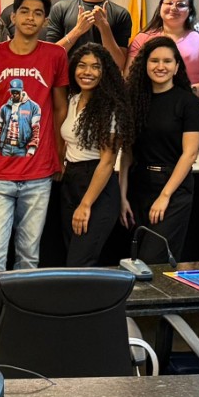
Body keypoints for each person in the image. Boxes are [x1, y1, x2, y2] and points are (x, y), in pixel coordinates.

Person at [0, 0, 68, 271]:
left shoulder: (55, 55)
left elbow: (60, 107)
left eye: (38, 13)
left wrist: (58, 154)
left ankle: (23, 315)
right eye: (25, 11)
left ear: (46, 21)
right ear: (13, 16)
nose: (30, 17)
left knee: (29, 257)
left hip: (39, 173)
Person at [120, 37, 199, 264]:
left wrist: (165, 196)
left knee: (153, 259)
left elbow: (190, 154)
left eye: (167, 61)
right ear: (145, 64)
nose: (160, 66)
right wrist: (122, 196)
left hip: (173, 189)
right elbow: (127, 155)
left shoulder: (188, 102)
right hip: (139, 186)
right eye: (154, 60)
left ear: (177, 67)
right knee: (136, 260)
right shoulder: (134, 101)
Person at [61, 43, 130, 267]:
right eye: (81, 66)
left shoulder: (111, 107)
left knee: (79, 263)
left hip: (96, 187)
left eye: (95, 67)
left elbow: (108, 161)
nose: (87, 72)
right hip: (70, 182)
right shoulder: (72, 100)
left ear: (105, 71)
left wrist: (86, 204)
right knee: (69, 256)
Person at [126, 0, 199, 95]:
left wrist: (180, 94)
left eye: (181, 5)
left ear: (190, 10)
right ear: (160, 6)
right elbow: (129, 78)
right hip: (149, 104)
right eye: (169, 3)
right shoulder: (142, 39)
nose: (174, 8)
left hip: (194, 104)